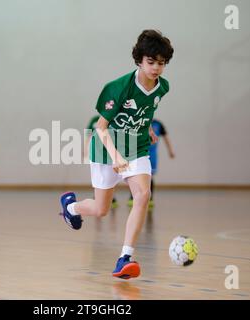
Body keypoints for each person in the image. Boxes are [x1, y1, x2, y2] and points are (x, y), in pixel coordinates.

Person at [60, 30, 174, 279]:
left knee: (143, 194)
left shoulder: (162, 87)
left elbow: (146, 109)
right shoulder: (118, 88)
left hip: (138, 147)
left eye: (161, 63)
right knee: (101, 210)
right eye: (151, 62)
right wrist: (115, 157)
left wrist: (148, 129)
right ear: (139, 61)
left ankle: (125, 258)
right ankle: (72, 208)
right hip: (105, 150)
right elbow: (100, 127)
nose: (156, 68)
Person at [128, 119, 175, 208]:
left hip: (152, 154)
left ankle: (150, 198)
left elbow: (166, 137)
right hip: (138, 152)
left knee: (150, 176)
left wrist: (171, 151)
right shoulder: (138, 120)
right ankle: (132, 197)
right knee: (134, 175)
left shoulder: (158, 124)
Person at [84, 115, 118, 209]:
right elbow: (88, 134)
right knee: (99, 177)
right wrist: (86, 148)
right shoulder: (94, 120)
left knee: (112, 175)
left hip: (111, 150)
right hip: (97, 151)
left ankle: (111, 198)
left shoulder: (115, 117)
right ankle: (98, 197)